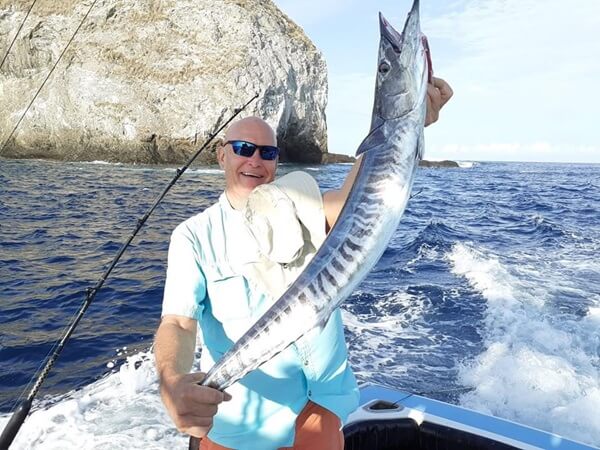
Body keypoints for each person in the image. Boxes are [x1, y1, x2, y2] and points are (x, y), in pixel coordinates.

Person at [154, 77, 453, 450]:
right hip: (239, 426)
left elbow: (360, 198)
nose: (255, 160)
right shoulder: (194, 235)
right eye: (244, 148)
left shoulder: (303, 203)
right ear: (222, 154)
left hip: (322, 410)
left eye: (267, 153)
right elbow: (179, 322)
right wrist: (172, 380)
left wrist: (408, 124)